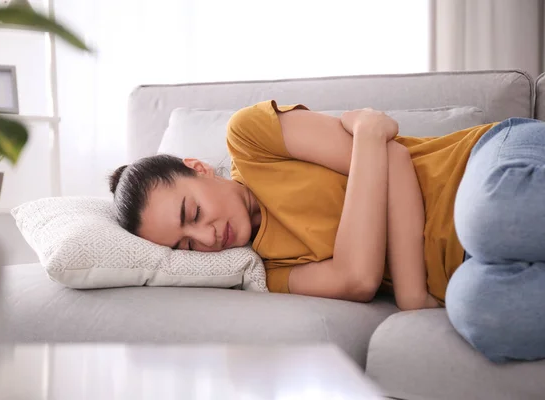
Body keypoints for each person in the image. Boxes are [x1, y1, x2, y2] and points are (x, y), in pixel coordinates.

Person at [109, 100, 545, 363]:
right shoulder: (269, 274)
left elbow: (394, 158)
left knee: (487, 219)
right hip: (466, 269)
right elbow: (358, 279)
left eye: (192, 212)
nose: (206, 239)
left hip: (483, 168)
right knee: (484, 315)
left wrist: (411, 295)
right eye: (185, 245)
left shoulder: (251, 137)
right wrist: (369, 138)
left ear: (198, 168)